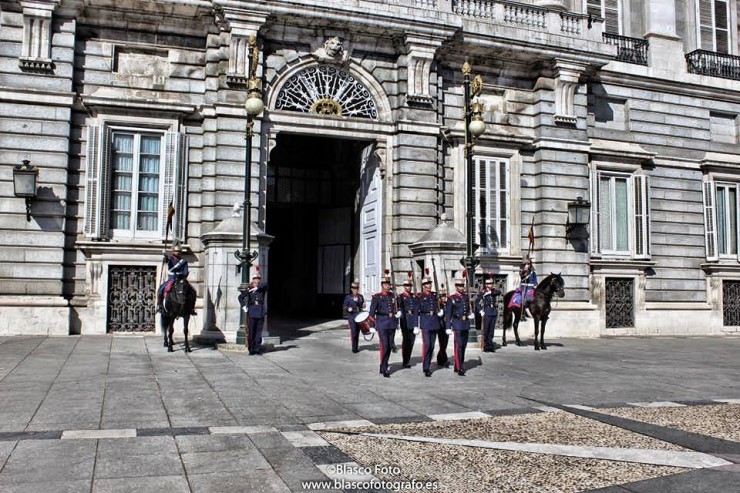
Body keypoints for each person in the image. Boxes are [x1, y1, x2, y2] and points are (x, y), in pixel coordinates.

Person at [368, 272, 400, 378]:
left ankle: (383, 366)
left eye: (388, 284)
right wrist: (372, 325)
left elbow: (397, 308)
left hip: (392, 324)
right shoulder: (377, 297)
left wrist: (398, 315)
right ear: (382, 285)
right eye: (385, 284)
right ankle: (384, 367)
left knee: (390, 346)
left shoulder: (393, 296)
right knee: (385, 345)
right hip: (382, 323)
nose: (387, 286)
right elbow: (372, 312)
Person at [445, 276, 475, 376]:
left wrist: (471, 314)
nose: (462, 288)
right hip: (457, 324)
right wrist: (448, 327)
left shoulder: (466, 297)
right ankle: (460, 367)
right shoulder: (451, 298)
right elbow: (448, 314)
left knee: (464, 346)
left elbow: (469, 308)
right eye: (460, 286)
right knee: (458, 346)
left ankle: (457, 365)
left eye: (463, 286)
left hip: (465, 324)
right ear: (456, 287)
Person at [157, 244, 196, 315]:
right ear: (173, 251)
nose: (177, 252)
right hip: (172, 278)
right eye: (176, 251)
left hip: (181, 279)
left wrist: (182, 275)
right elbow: (168, 263)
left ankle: (192, 308)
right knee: (161, 289)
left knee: (193, 291)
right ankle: (160, 306)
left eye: (179, 251)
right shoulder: (170, 260)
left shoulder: (184, 261)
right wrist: (165, 255)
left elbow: (185, 271)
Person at [238, 268, 268, 355]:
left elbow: (266, 285)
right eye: (255, 279)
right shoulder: (249, 288)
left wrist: (258, 287)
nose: (257, 281)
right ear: (253, 280)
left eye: (258, 279)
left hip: (261, 311)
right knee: (251, 332)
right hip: (252, 311)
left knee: (258, 332)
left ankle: (257, 349)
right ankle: (251, 349)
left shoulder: (262, 288)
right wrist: (244, 306)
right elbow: (240, 297)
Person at [417, 276, 440, 377]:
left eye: (430, 284)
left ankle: (428, 364)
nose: (429, 285)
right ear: (423, 286)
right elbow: (416, 311)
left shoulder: (435, 295)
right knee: (427, 345)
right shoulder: (419, 296)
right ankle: (426, 367)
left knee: (432, 346)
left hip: (434, 321)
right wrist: (416, 325)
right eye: (427, 284)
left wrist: (440, 311)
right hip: (425, 321)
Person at [397, 274, 419, 369]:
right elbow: (398, 307)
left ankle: (408, 359)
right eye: (406, 286)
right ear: (404, 287)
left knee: (411, 341)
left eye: (409, 286)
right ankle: (405, 361)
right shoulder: (400, 296)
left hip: (413, 320)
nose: (408, 288)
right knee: (406, 341)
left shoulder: (414, 297)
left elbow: (417, 309)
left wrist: (416, 324)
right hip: (404, 320)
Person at [476, 276, 502, 353]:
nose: (489, 285)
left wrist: (490, 292)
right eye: (488, 284)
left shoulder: (493, 291)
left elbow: (499, 292)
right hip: (486, 312)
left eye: (490, 284)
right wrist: (480, 310)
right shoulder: (482, 292)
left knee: (491, 330)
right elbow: (476, 302)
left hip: (493, 312)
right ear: (486, 285)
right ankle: (486, 346)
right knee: (486, 330)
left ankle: (490, 345)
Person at [510, 254, 538, 320]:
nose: (527, 265)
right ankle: (523, 313)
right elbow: (522, 278)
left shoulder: (533, 272)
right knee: (523, 298)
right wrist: (525, 272)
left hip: (531, 288)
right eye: (526, 264)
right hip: (524, 287)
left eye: (528, 263)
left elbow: (535, 280)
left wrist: (535, 284)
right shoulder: (522, 271)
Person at [343, 281, 365, 353]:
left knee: (357, 332)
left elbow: (362, 305)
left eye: (357, 288)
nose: (355, 290)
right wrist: (348, 308)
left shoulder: (361, 296)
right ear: (352, 289)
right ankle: (354, 348)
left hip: (359, 316)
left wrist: (363, 305)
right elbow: (344, 306)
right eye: (354, 288)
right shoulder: (348, 297)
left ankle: (355, 346)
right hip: (352, 316)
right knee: (354, 332)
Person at [436, 287, 451, 369]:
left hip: (447, 326)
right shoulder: (439, 305)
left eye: (445, 296)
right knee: (442, 344)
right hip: (440, 327)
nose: (444, 298)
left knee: (445, 344)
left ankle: (439, 359)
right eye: (442, 296)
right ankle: (444, 360)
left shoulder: (447, 305)